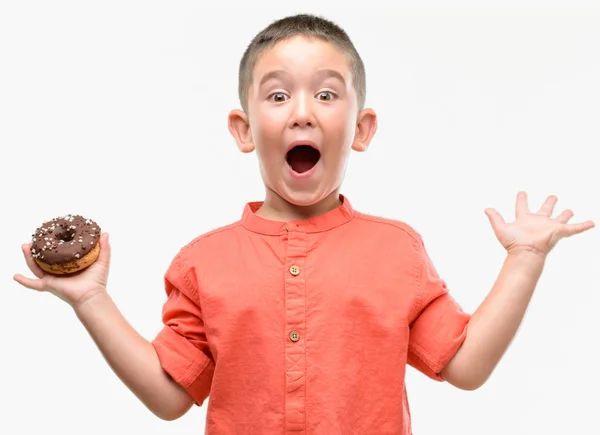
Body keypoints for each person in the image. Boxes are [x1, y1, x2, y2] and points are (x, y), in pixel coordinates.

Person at [13, 13, 595, 434]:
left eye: (325, 93)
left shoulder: (396, 250)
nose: (301, 112)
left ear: (361, 130)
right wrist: (91, 300)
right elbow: (170, 396)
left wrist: (526, 259)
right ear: (244, 130)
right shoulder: (202, 261)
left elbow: (465, 366)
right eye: (277, 95)